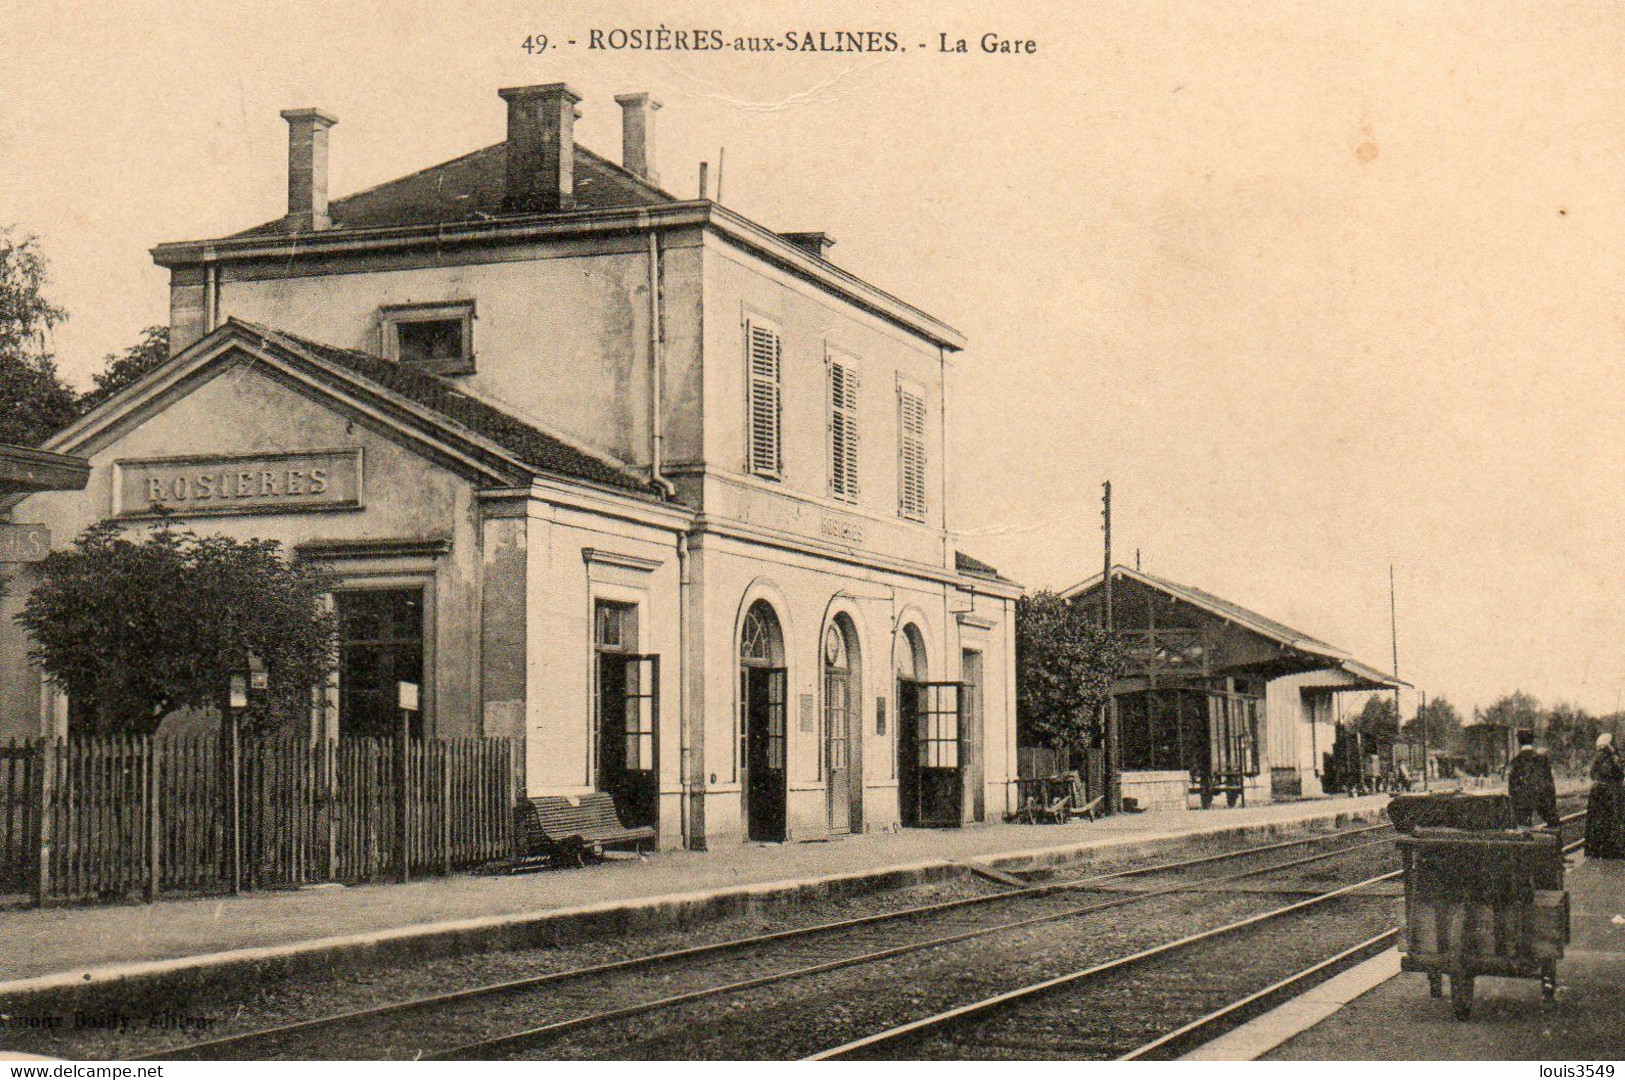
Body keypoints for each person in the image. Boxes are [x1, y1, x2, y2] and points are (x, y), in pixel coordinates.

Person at [1507, 729, 1559, 828]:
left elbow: (1511, 788)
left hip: (1523, 802)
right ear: (1532, 740)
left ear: (1519, 741)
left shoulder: (1515, 762)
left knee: (1524, 829)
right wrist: (1552, 803)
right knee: (1554, 826)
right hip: (1542, 799)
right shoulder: (1542, 759)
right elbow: (1550, 783)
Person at [1584, 732, 1623, 858]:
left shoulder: (1597, 758)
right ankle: (1610, 849)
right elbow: (1619, 774)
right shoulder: (1614, 758)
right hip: (1610, 792)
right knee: (1611, 819)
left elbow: (1592, 774)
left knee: (1595, 819)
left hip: (1596, 791)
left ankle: (1594, 847)